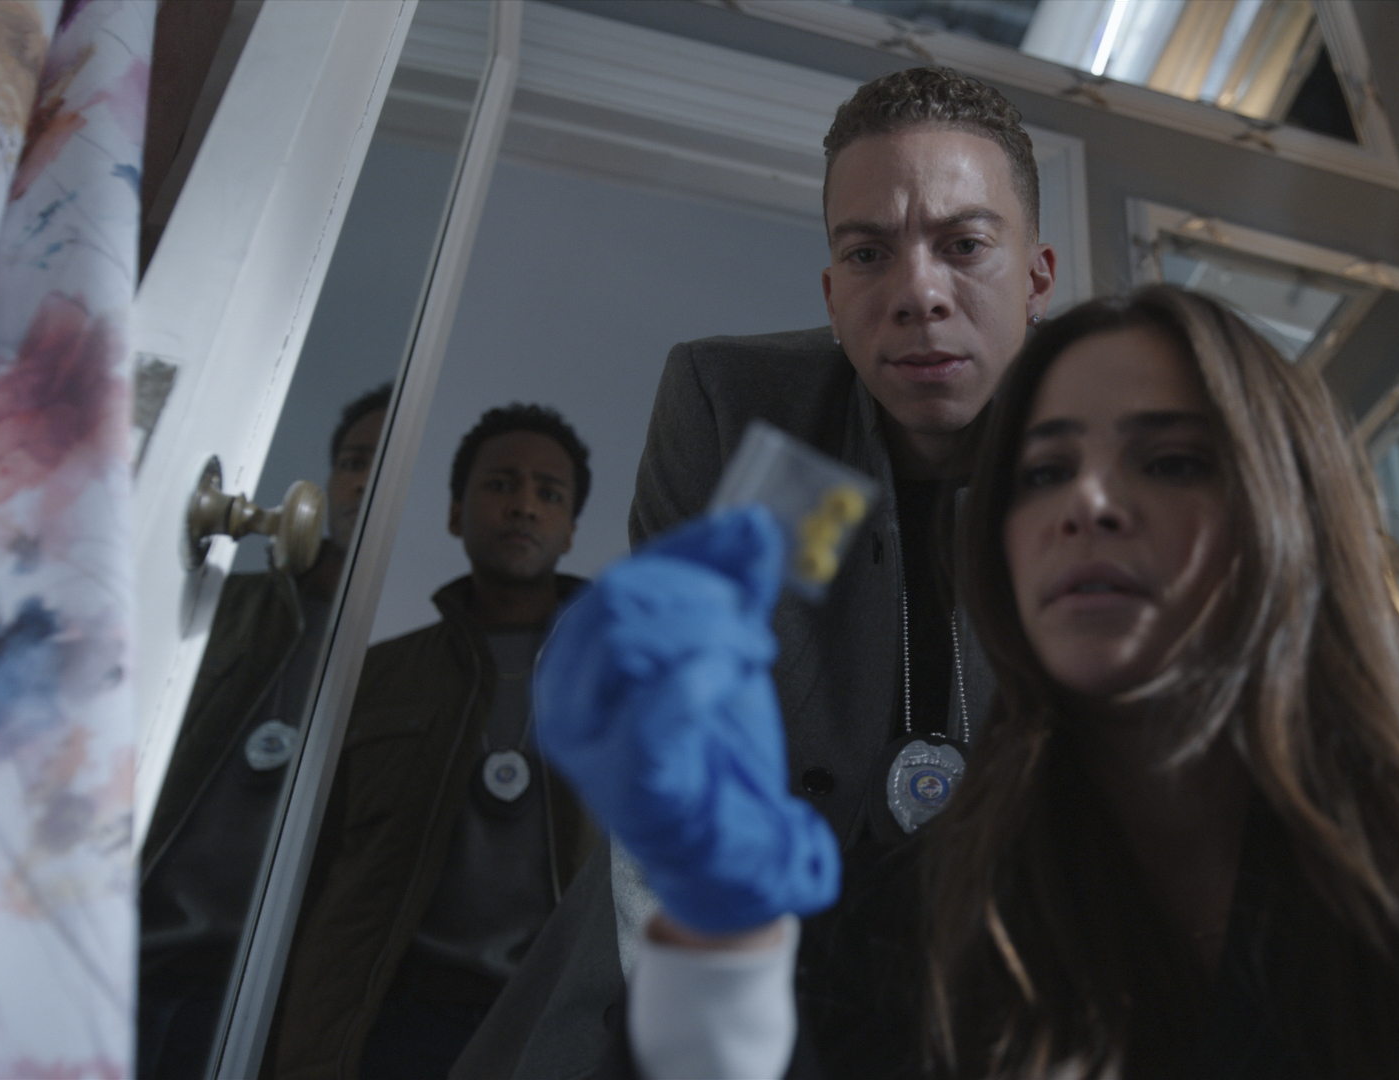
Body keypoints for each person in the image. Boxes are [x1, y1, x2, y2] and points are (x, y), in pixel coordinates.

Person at [539, 285, 1399, 1079]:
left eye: (1173, 460)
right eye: (1042, 472)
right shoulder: (917, 924)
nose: (1088, 504)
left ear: (1289, 511)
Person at [451, 66, 1057, 1078]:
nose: (917, 294)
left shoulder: (1100, 446)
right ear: (832, 292)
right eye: (868, 253)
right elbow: (674, 734)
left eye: (964, 246)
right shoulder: (743, 412)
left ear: (1037, 278)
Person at [273, 404, 602, 1080]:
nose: (524, 505)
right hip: (391, 1027)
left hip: (547, 1030)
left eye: (549, 494)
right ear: (455, 513)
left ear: (571, 530)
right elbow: (313, 872)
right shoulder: (376, 677)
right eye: (501, 484)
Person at [137, 382, 390, 1080]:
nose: (364, 480)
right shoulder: (224, 611)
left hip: (257, 1004)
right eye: (353, 460)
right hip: (132, 952)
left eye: (386, 461)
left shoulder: (405, 661)